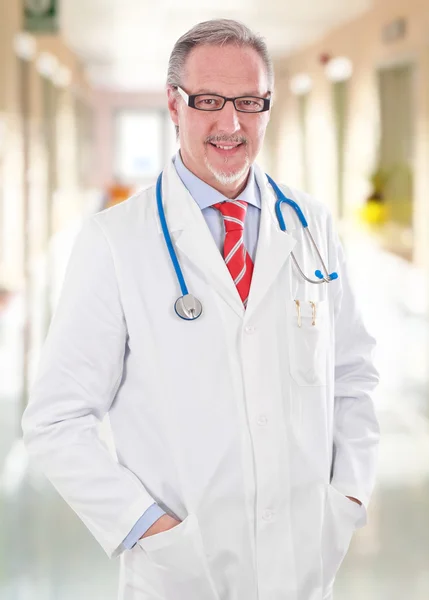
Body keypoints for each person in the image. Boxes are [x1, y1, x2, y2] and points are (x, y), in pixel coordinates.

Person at [21, 18, 380, 600]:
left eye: (249, 102)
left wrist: (349, 498)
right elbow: (57, 420)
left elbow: (353, 377)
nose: (230, 123)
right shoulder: (116, 241)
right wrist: (149, 529)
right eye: (209, 101)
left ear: (268, 105)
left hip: (303, 565)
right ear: (174, 103)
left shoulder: (311, 225)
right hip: (180, 574)